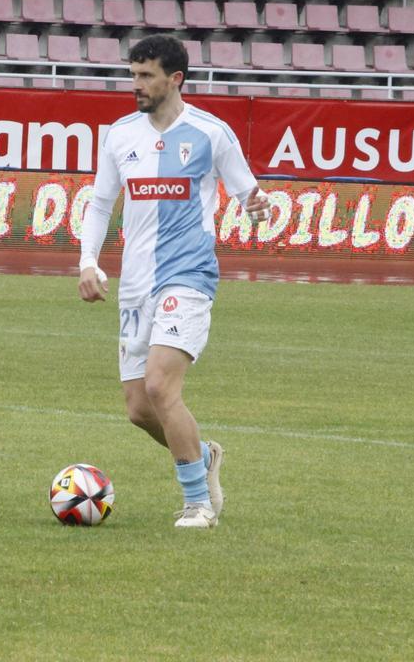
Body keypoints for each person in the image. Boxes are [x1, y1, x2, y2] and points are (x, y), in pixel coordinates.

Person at [78, 34, 270, 529]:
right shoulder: (120, 135)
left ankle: (197, 503)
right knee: (140, 409)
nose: (136, 85)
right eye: (133, 74)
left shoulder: (211, 133)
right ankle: (201, 456)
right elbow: (100, 203)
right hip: (135, 283)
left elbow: (249, 190)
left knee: (162, 386)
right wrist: (87, 262)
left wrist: (255, 204)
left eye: (146, 76)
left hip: (188, 275)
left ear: (175, 79)